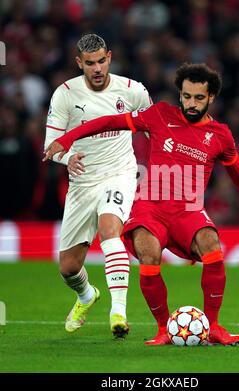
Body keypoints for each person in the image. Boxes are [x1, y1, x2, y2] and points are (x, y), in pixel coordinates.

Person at [44, 63, 239, 345]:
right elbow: (109, 122)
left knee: (212, 247)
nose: (190, 103)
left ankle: (213, 326)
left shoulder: (221, 135)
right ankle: (163, 329)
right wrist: (66, 138)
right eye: (186, 96)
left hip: (188, 209)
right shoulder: (160, 114)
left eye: (198, 98)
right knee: (148, 253)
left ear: (211, 97)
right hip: (150, 207)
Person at [44, 33, 152, 338]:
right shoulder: (65, 94)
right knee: (68, 267)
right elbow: (50, 146)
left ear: (110, 57)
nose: (97, 68)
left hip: (119, 173)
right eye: (89, 63)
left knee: (109, 229)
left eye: (101, 61)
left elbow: (152, 131)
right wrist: (67, 159)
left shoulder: (133, 91)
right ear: (79, 63)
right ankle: (87, 296)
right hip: (82, 182)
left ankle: (118, 312)